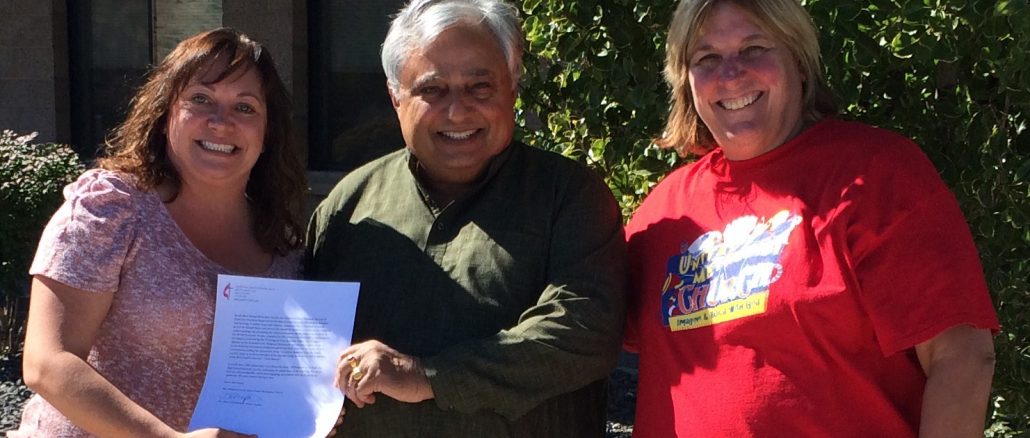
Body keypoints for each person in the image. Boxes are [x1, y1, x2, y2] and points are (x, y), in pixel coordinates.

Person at [623, 0, 1000, 436]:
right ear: (686, 82)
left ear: (800, 63)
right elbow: (584, 331)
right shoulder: (664, 212)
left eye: (754, 48)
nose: (731, 74)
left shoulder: (875, 176)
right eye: (707, 58)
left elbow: (963, 356)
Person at [305, 0, 626, 436]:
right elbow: (306, 346)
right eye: (432, 90)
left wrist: (425, 376)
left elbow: (581, 332)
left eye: (480, 87)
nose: (457, 111)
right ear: (395, 95)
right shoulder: (348, 206)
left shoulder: (569, 197)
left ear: (512, 87)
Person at [11, 28, 307, 437]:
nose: (221, 122)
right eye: (200, 99)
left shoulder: (281, 245)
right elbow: (48, 363)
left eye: (245, 107)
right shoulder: (113, 209)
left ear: (267, 133)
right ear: (166, 112)